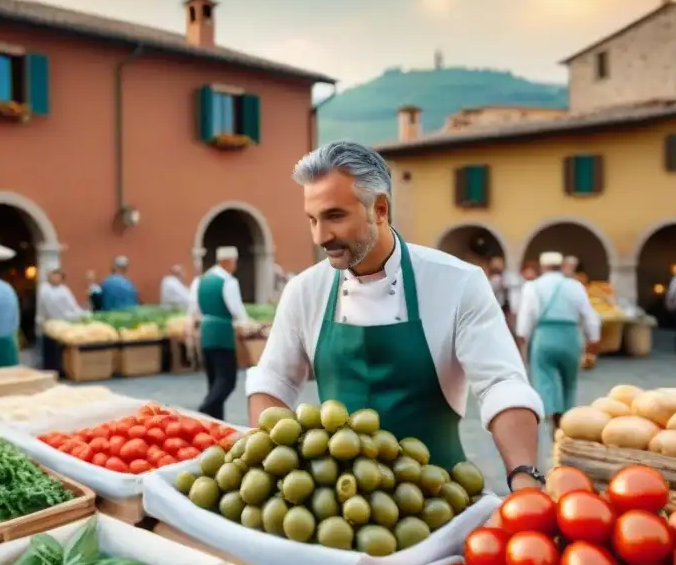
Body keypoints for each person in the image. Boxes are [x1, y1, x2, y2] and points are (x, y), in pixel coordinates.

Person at [246, 142, 545, 490]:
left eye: (335, 216)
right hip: (339, 503)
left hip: (439, 495)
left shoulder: (457, 282)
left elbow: (501, 384)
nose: (320, 236)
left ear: (380, 209)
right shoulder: (304, 290)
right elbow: (273, 382)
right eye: (312, 219)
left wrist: (525, 475)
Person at [516, 252, 601, 436]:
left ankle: (553, 416)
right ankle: (568, 418)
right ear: (561, 265)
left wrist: (524, 340)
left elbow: (525, 319)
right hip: (570, 336)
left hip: (544, 336)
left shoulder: (532, 287)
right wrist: (593, 339)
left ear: (542, 266)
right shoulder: (575, 286)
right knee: (569, 381)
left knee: (544, 377)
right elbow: (589, 315)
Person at [188, 247, 250, 420]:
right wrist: (246, 324)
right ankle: (203, 411)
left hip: (206, 332)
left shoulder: (199, 281)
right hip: (222, 332)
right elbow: (236, 309)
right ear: (228, 261)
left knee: (213, 380)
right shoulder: (228, 281)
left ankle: (215, 421)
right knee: (227, 380)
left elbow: (194, 308)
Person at [36, 268, 89, 371]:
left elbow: (72, 306)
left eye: (58, 275)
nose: (56, 278)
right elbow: (50, 308)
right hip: (49, 324)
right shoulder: (44, 289)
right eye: (54, 275)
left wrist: (81, 314)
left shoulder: (64, 289)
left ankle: (62, 369)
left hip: (64, 324)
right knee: (50, 351)